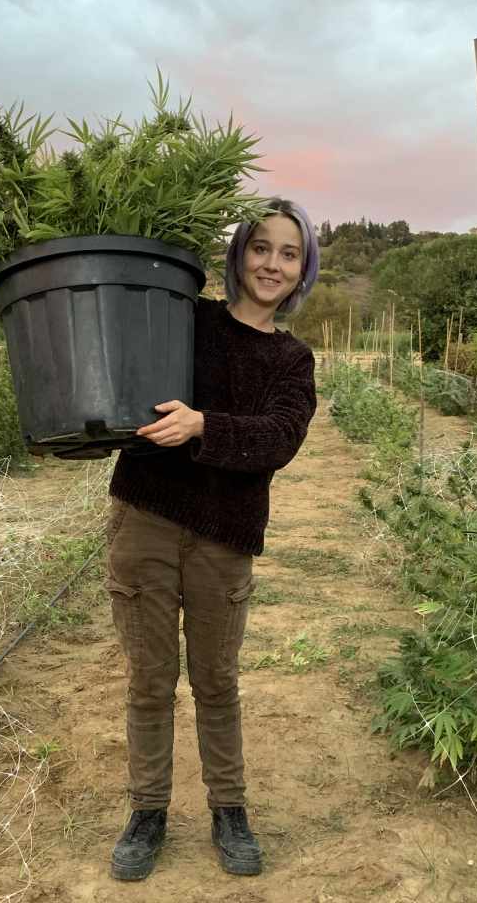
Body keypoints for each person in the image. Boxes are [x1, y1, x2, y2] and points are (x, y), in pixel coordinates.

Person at [103, 198, 320, 880]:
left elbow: (278, 441)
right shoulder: (185, 318)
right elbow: (123, 369)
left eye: (289, 253)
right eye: (262, 248)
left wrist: (203, 426)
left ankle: (229, 809)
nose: (272, 264)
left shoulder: (293, 360)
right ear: (239, 254)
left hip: (226, 535)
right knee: (149, 680)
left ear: (303, 268)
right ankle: (148, 813)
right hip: (147, 515)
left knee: (217, 681)